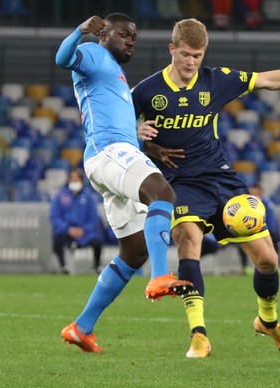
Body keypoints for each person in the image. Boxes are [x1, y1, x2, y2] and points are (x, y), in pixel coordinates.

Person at [133, 18, 280, 358]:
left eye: (198, 55)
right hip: (178, 182)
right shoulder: (146, 91)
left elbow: (268, 79)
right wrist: (138, 136)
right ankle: (199, 335)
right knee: (189, 242)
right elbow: (112, 130)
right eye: (186, 54)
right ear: (171, 49)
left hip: (221, 179)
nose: (191, 62)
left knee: (267, 260)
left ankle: (267, 322)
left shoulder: (215, 81)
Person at [54, 13, 193, 353]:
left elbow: (111, 118)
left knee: (133, 251)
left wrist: (142, 137)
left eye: (135, 36)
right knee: (162, 192)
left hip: (116, 153)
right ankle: (161, 275)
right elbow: (62, 59)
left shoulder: (114, 74)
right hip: (108, 153)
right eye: (125, 34)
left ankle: (81, 327)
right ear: (105, 34)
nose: (131, 40)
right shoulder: (93, 52)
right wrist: (80, 30)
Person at [49, 168, 103, 274]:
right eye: (72, 179)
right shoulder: (60, 196)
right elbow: (54, 216)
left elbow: (94, 218)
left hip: (84, 233)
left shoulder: (88, 197)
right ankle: (63, 267)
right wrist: (67, 229)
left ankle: (97, 266)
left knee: (97, 241)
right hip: (66, 232)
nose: (74, 181)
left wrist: (83, 229)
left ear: (82, 181)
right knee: (57, 239)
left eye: (77, 179)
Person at [237, 184, 280, 275]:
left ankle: (277, 265)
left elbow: (271, 221)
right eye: (252, 193)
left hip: (265, 230)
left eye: (256, 193)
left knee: (274, 241)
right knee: (241, 242)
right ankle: (245, 266)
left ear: (261, 193)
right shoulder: (244, 203)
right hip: (248, 230)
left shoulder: (267, 203)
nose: (254, 195)